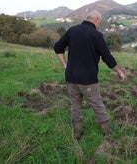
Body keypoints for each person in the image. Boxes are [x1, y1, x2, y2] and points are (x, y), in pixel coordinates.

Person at [54, 10, 127, 139]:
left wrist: (65, 65)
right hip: (88, 79)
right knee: (97, 104)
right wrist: (119, 71)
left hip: (71, 77)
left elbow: (58, 47)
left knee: (75, 105)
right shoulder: (96, 35)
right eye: (100, 22)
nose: (100, 24)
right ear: (96, 19)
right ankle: (106, 131)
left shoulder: (72, 30)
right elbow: (107, 57)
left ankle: (77, 132)